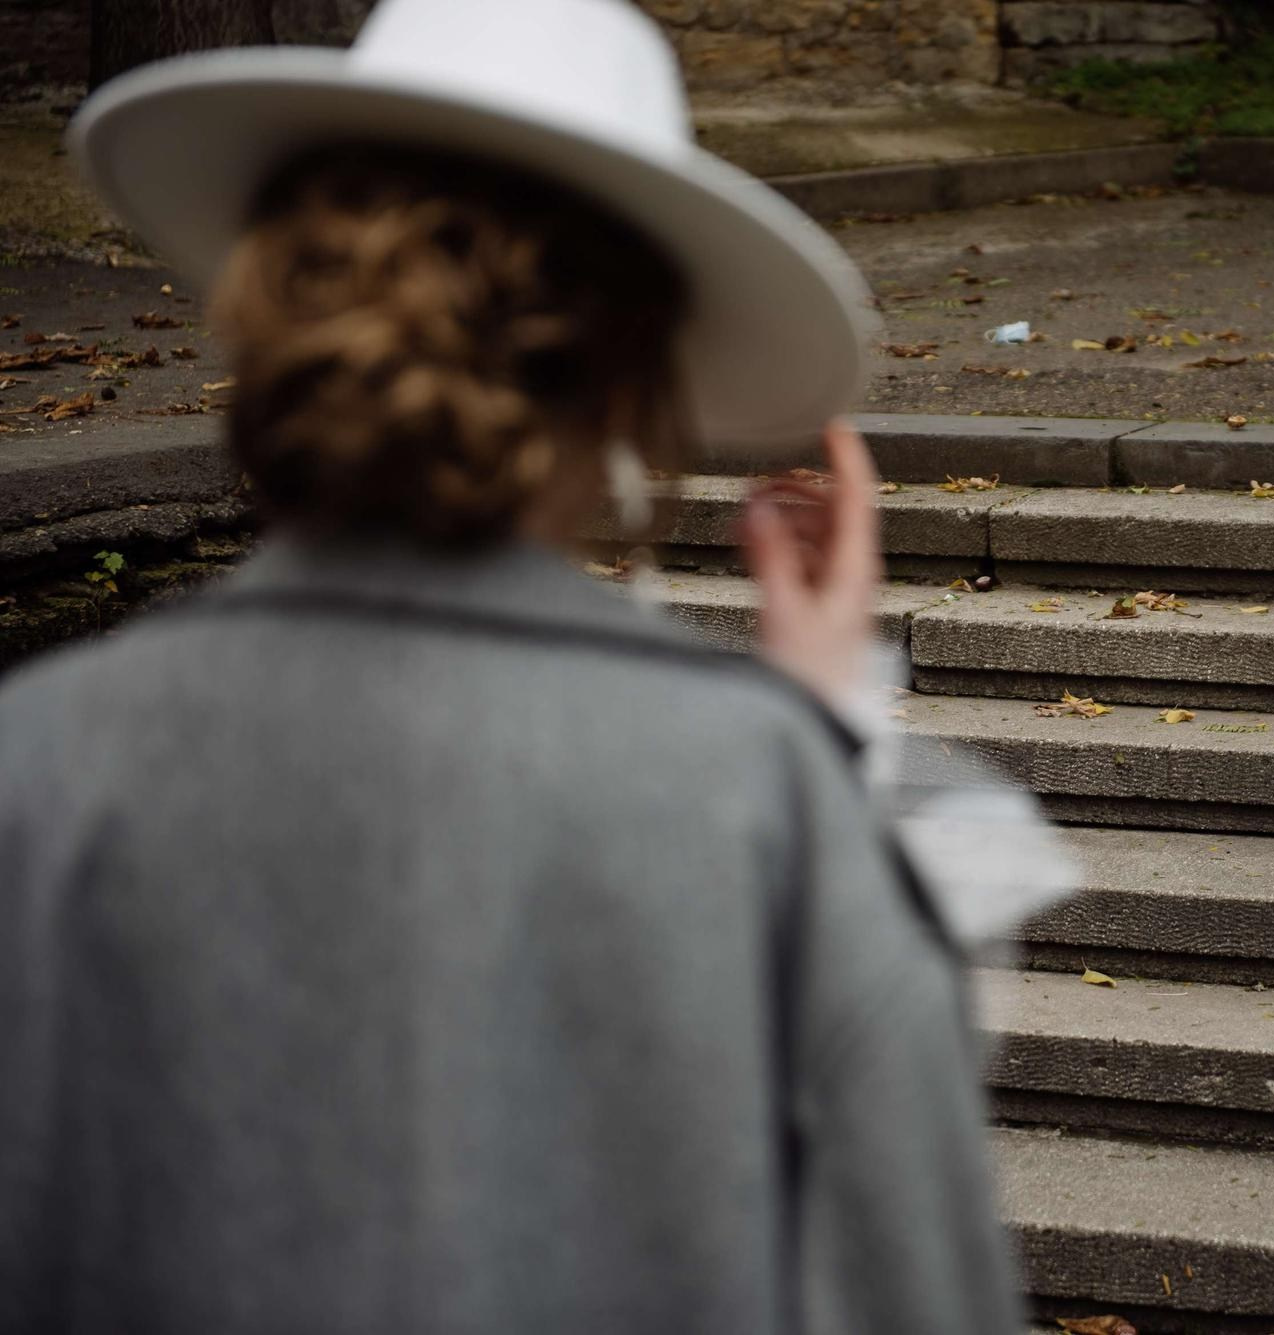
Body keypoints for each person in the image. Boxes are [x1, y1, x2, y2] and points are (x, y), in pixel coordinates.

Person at [0, 1, 1025, 1330]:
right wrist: (829, 724)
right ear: (631, 379)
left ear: (271, 315)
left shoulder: (41, 759)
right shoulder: (760, 794)